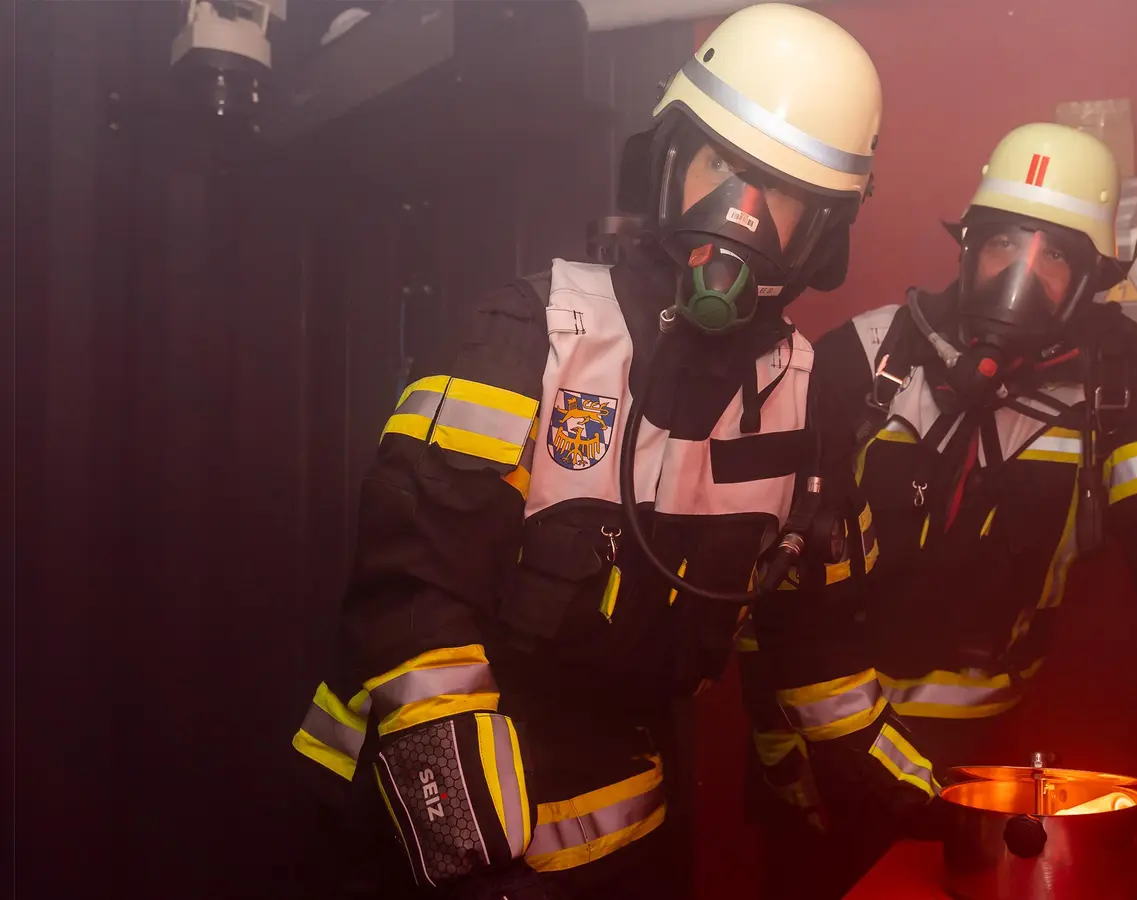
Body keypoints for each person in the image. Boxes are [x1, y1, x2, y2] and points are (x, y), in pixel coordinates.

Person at [286, 5, 886, 898]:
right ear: (667, 163)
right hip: (400, 834)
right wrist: (474, 861)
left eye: (780, 197)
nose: (737, 218)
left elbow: (816, 645)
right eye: (718, 169)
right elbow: (415, 602)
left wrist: (921, 809)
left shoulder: (808, 404)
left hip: (614, 833)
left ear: (822, 238)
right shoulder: (529, 334)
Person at [741, 122, 1137, 898]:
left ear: (1091, 278)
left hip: (977, 758)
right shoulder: (865, 356)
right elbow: (773, 556)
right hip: (819, 739)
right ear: (969, 247)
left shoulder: (1121, 379)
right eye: (1006, 242)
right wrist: (777, 741)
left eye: (1057, 256)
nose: (1022, 272)